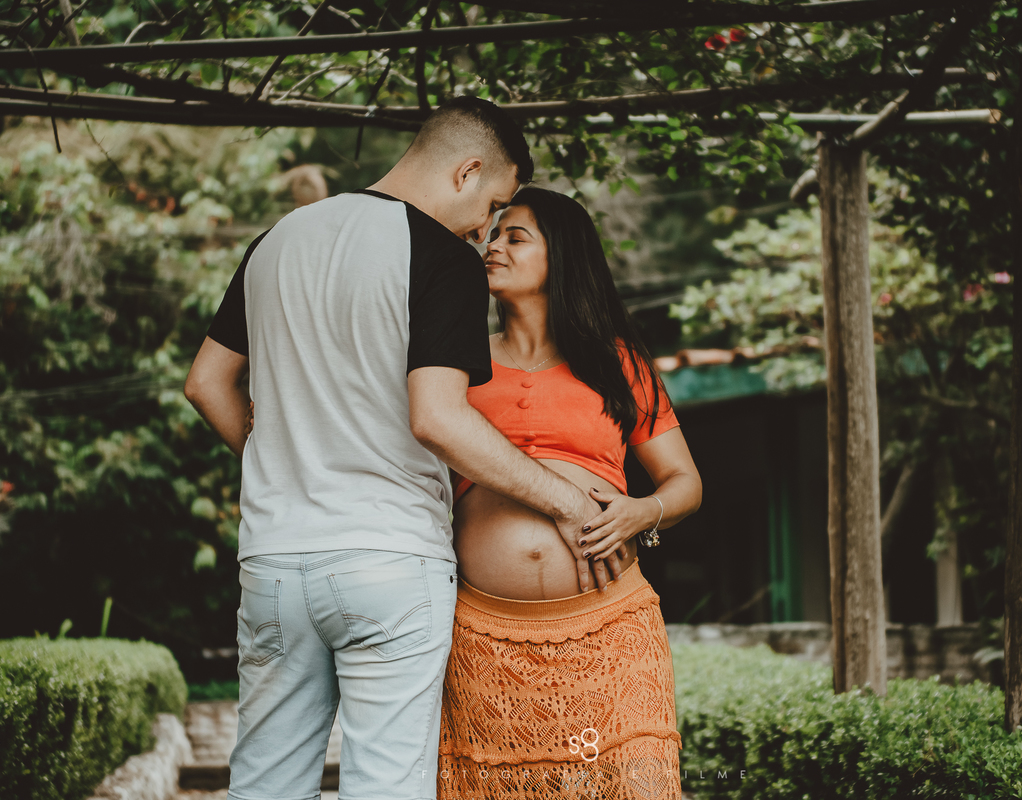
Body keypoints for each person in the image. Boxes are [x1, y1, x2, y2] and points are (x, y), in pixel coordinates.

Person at [183, 98, 610, 800]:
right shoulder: (443, 257)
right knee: (386, 786)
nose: (485, 230)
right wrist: (563, 498)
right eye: (493, 203)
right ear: (467, 171)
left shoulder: (277, 240)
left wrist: (283, 461)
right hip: (387, 560)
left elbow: (207, 384)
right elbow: (438, 419)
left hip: (274, 561)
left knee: (264, 781)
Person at [436, 187, 703, 799]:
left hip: (611, 632)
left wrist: (644, 511)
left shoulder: (619, 363)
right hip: (482, 642)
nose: (492, 246)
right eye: (491, 234)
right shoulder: (452, 365)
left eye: (514, 235)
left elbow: (685, 483)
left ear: (563, 257)